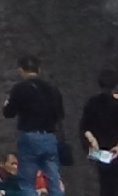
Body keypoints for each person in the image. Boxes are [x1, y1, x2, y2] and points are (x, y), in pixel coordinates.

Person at [12, 59, 75, 196]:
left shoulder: (19, 88)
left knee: (27, 182)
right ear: (39, 70)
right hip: (49, 137)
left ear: (21, 70)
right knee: (54, 180)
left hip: (29, 137)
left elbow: (9, 112)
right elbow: (60, 114)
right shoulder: (52, 89)